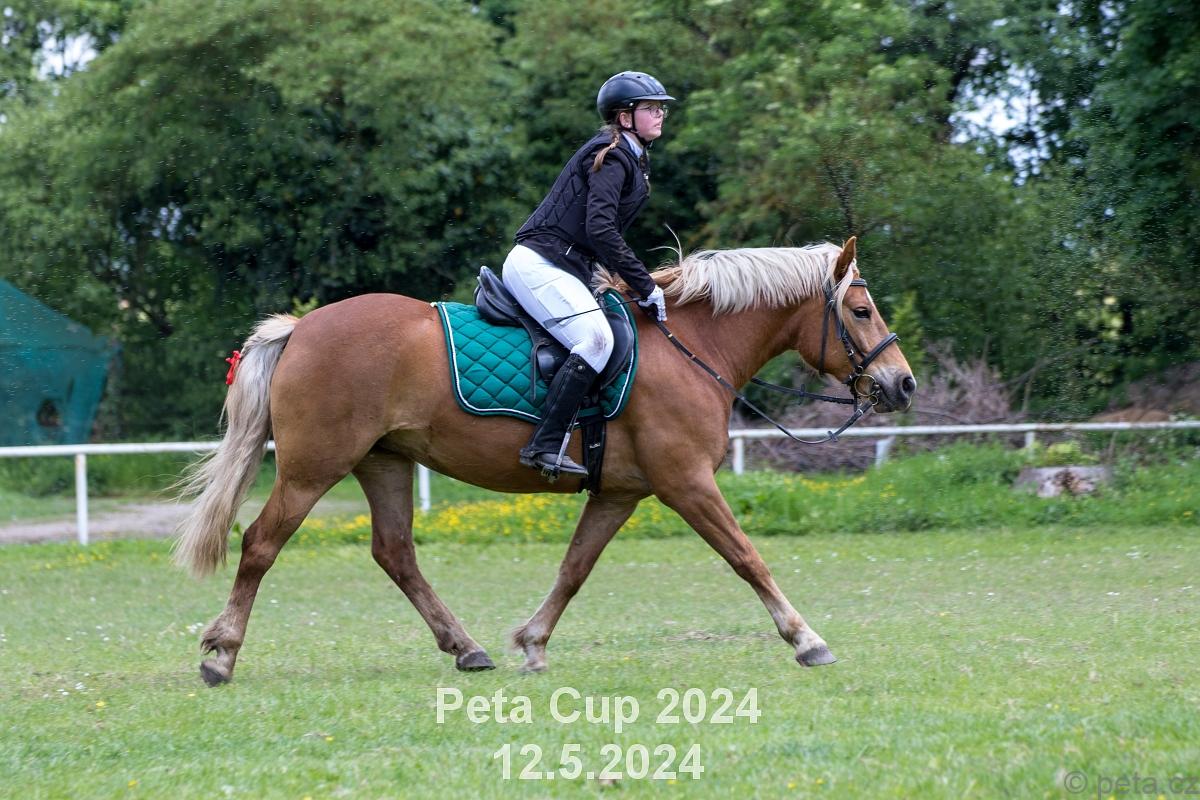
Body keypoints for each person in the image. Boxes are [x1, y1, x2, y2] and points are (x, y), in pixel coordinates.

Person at [502, 70, 674, 478]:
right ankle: (545, 444)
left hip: (564, 267)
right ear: (625, 117)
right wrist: (645, 284)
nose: (659, 114)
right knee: (596, 341)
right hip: (539, 265)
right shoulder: (612, 156)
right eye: (650, 108)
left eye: (661, 108)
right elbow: (601, 230)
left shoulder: (633, 156)